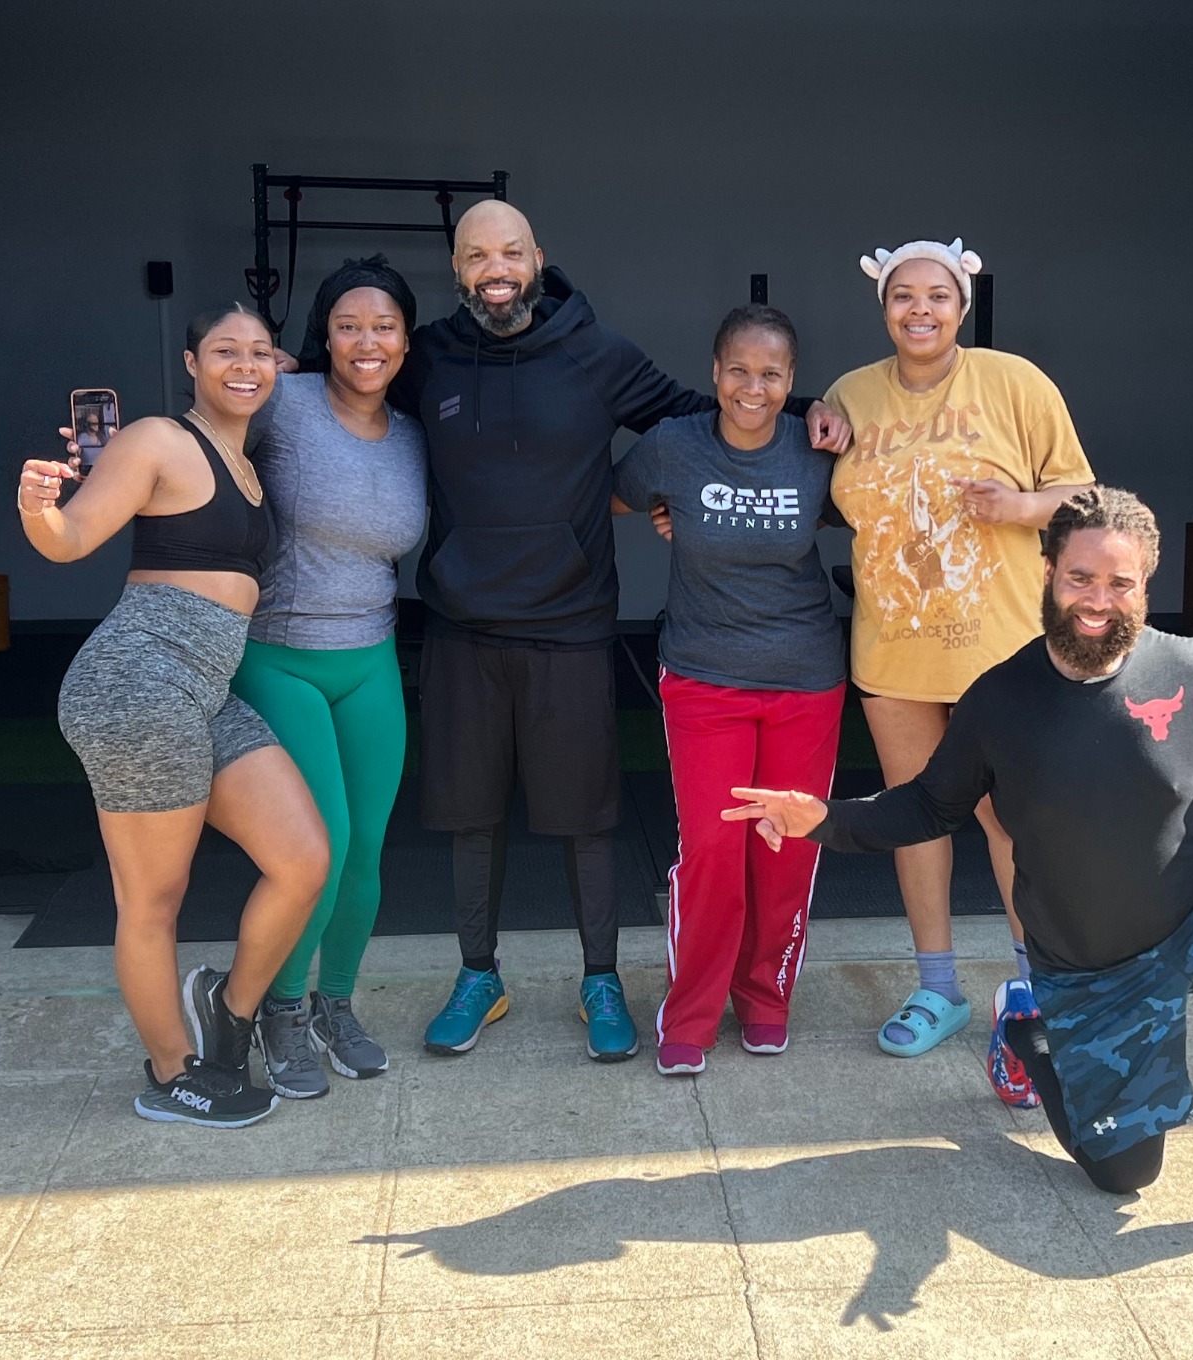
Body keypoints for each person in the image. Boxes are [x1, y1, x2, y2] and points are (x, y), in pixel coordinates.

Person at [723, 486, 1193, 1233]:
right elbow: (928, 806)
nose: (1098, 599)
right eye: (1080, 578)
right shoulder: (1000, 700)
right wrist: (825, 821)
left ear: (1143, 587)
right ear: (1046, 574)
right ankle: (1031, 1032)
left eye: (1118, 582)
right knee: (1123, 1177)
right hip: (1092, 966)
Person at [281, 200, 849, 1063]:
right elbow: (354, 367)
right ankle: (479, 975)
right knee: (471, 817)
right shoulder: (427, 353)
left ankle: (600, 979)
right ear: (458, 265)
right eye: (477, 255)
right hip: (463, 624)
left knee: (588, 818)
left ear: (538, 257)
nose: (495, 267)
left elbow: (713, 411)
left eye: (510, 251)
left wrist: (819, 414)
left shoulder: (598, 353)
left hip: (574, 624)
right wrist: (276, 370)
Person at [18, 302, 330, 1128]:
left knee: (301, 858)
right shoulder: (159, 438)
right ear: (188, 362)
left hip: (206, 689)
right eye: (224, 351)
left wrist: (274, 364)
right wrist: (36, 505)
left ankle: (229, 1011)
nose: (246, 365)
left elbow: (271, 370)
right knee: (153, 899)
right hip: (135, 685)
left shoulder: (243, 452)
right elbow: (71, 538)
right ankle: (170, 1070)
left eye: (260, 353)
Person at [820, 238, 1093, 1096]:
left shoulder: (1015, 383)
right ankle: (936, 989)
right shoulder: (848, 395)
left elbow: (1083, 494)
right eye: (903, 295)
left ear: (961, 304)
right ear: (883, 304)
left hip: (1000, 652)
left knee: (1010, 826)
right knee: (914, 819)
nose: (920, 310)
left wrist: (1019, 506)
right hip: (892, 649)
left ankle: (1032, 991)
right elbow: (793, 465)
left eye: (936, 295)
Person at [611, 305, 845, 1077]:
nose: (753, 387)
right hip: (704, 676)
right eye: (738, 371)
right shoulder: (673, 447)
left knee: (783, 850)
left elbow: (879, 508)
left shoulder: (814, 449)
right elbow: (616, 496)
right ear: (713, 374)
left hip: (805, 677)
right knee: (713, 850)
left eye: (771, 374)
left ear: (790, 382)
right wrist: (656, 509)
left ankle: (766, 996)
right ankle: (692, 1011)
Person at [229, 257, 426, 1098]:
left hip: (372, 655)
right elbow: (202, 438)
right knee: (322, 844)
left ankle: (333, 1003)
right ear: (323, 335)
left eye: (383, 326)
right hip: (278, 653)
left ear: (407, 341)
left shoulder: (417, 435)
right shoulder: (287, 402)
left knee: (368, 851)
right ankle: (279, 1006)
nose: (366, 341)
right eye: (348, 325)